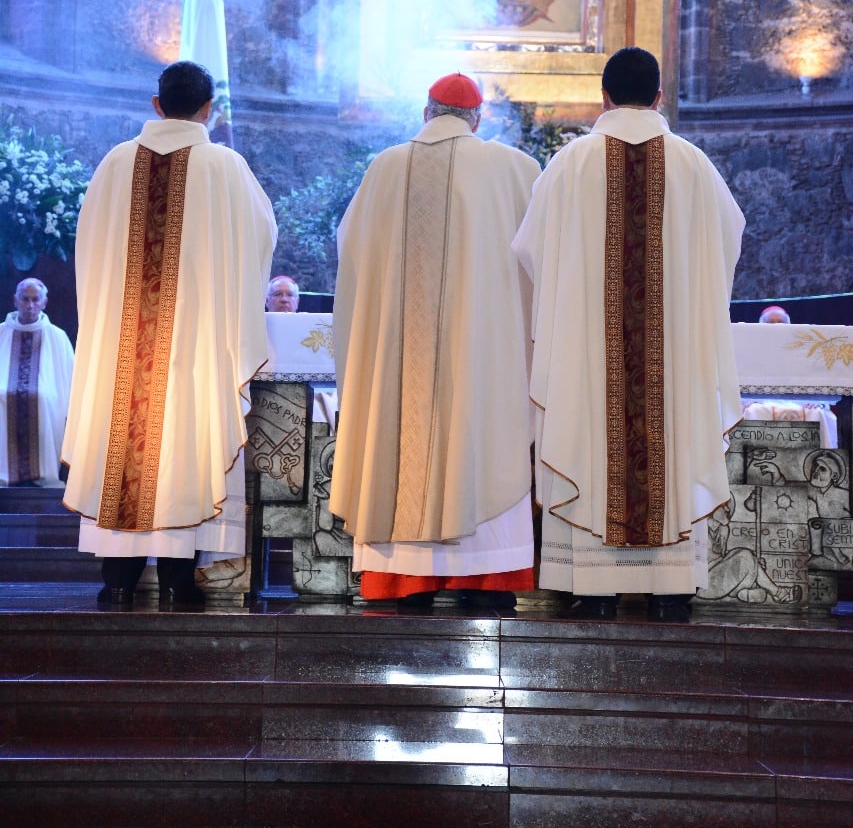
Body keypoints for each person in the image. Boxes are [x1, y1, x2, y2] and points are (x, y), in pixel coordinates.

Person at [513, 46, 745, 622]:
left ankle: (592, 584)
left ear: (605, 96)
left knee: (589, 436)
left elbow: (528, 248)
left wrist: (573, 297)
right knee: (672, 440)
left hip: (590, 356)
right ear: (660, 96)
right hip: (673, 358)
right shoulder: (692, 164)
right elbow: (730, 239)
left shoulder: (571, 163)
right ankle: (670, 588)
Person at [62, 61, 277, 609]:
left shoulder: (114, 164)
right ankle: (179, 578)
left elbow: (87, 252)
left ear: (156, 105)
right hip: (194, 349)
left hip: (122, 349)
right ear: (209, 108)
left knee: (126, 444)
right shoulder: (225, 167)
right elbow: (262, 237)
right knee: (186, 444)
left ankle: (118, 577)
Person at [330, 72, 540, 611]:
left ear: (426, 113)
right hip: (482, 363)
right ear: (477, 118)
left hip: (402, 365)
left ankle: (407, 580)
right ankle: (485, 580)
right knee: (483, 441)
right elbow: (543, 264)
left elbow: (352, 254)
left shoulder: (384, 169)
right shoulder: (514, 171)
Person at [0, 278, 74, 486]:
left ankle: (41, 473)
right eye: (25, 299)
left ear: (44, 302)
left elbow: (69, 381)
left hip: (46, 405)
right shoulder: (1, 333)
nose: (30, 305)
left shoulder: (57, 336)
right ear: (15, 300)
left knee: (43, 398)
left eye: (35, 299)